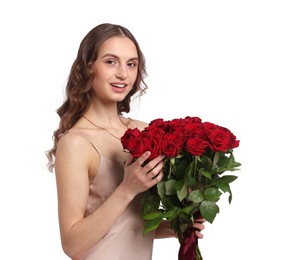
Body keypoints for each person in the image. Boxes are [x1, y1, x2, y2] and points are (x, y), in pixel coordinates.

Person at [46, 23, 205, 260]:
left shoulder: (142, 131)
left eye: (131, 64)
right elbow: (72, 245)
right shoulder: (76, 143)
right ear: (89, 67)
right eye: (111, 62)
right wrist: (127, 189)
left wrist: (172, 226)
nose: (123, 74)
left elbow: (127, 223)